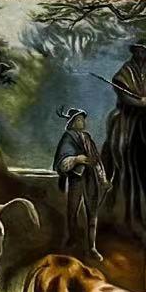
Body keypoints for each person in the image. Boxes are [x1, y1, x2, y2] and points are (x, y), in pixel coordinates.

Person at [103, 41, 146, 197]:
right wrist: (137, 102)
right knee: (114, 119)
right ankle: (117, 151)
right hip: (128, 110)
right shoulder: (126, 69)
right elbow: (121, 93)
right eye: (137, 51)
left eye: (142, 52)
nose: (139, 54)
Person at [53, 106, 108, 260]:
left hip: (91, 178)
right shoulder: (68, 137)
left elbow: (96, 159)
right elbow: (63, 160)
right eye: (78, 120)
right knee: (72, 211)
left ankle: (92, 247)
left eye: (82, 119)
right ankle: (73, 240)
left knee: (93, 212)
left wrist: (103, 179)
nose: (82, 122)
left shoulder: (87, 138)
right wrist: (76, 159)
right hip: (76, 179)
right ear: (72, 123)